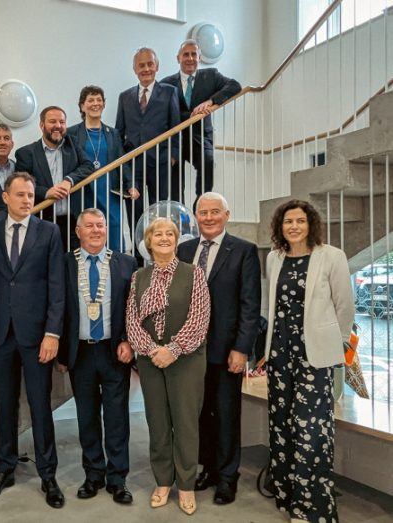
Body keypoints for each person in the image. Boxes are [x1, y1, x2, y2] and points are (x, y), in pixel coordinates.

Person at [0, 172, 66, 508]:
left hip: (37, 336)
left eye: (30, 195)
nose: (27, 200)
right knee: (5, 404)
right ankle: (5, 466)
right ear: (5, 197)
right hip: (0, 334)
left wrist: (52, 333)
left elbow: (56, 286)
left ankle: (48, 474)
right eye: (20, 195)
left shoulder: (49, 231)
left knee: (41, 407)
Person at [264, 199, 354, 523]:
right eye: (288, 221)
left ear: (310, 223)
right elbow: (270, 307)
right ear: (280, 227)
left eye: (300, 221)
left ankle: (312, 506)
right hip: (280, 356)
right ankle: (288, 496)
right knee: (283, 426)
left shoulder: (331, 256)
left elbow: (345, 307)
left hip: (315, 358)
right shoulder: (274, 258)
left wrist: (335, 344)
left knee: (312, 430)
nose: (294, 226)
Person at [177, 192, 261, 505]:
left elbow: (250, 306)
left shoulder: (243, 251)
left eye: (215, 212)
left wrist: (242, 348)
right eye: (203, 212)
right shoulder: (184, 250)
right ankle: (209, 468)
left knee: (226, 415)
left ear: (226, 215)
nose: (209, 218)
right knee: (199, 415)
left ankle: (228, 477)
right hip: (188, 352)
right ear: (195, 216)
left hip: (227, 352)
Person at [126, 217, 210, 515]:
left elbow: (199, 320)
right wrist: (151, 350)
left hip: (186, 361)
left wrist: (172, 350)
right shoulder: (139, 277)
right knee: (158, 423)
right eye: (157, 234)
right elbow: (132, 321)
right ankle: (163, 481)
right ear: (148, 242)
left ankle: (186, 486)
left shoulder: (194, 274)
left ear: (177, 240)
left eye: (169, 234)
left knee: (185, 424)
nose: (163, 238)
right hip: (150, 362)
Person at [58, 209, 137, 505]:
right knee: (87, 416)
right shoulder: (64, 263)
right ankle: (93, 475)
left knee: (117, 418)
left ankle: (118, 479)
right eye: (89, 226)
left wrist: (130, 341)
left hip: (114, 350)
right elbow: (59, 308)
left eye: (100, 225)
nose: (95, 230)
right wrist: (63, 351)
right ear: (77, 231)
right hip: (81, 351)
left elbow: (134, 308)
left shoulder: (126, 263)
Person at [160, 40, 242, 207]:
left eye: (193, 54)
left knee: (208, 162)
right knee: (175, 178)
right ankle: (179, 214)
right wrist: (190, 115)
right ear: (178, 58)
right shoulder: (166, 83)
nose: (190, 58)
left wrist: (211, 101)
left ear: (199, 58)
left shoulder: (211, 75)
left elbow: (235, 86)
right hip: (176, 138)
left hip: (200, 135)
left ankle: (200, 206)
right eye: (186, 54)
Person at [67, 86, 139, 252]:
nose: (95, 103)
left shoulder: (113, 133)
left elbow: (122, 161)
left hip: (109, 190)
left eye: (99, 100)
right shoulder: (72, 133)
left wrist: (131, 184)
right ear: (82, 106)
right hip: (84, 190)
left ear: (104, 104)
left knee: (113, 228)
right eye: (90, 100)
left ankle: (116, 268)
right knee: (88, 232)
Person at [15, 106, 95, 249]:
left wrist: (68, 180)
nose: (58, 126)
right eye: (52, 121)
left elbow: (88, 165)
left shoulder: (73, 143)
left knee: (74, 266)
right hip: (43, 221)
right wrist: (46, 192)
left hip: (74, 220)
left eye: (62, 122)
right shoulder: (26, 153)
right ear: (41, 125)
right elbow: (21, 185)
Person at [116, 47, 180, 209]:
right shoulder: (125, 96)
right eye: (141, 65)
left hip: (161, 160)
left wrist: (173, 156)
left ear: (157, 66)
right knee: (133, 210)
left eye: (150, 64)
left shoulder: (169, 92)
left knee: (158, 208)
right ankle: (137, 236)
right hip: (133, 162)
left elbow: (176, 126)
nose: (146, 69)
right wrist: (122, 161)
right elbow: (119, 131)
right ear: (135, 69)